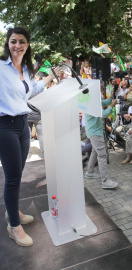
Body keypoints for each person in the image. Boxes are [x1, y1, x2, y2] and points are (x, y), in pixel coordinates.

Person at [0, 27, 61, 247]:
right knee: (13, 176)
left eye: (22, 42)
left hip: (23, 125)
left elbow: (31, 89)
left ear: (27, 45)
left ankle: (12, 211)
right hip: (4, 125)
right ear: (8, 43)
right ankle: (13, 226)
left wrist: (49, 79)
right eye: (13, 41)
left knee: (18, 173)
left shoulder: (25, 69)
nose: (17, 46)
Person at [84, 82, 118, 189]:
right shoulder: (92, 103)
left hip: (92, 131)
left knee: (95, 152)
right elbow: (104, 114)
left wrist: (111, 97)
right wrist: (112, 105)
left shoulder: (91, 99)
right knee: (102, 155)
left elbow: (103, 102)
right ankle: (105, 180)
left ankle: (89, 172)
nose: (102, 91)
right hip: (95, 132)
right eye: (101, 89)